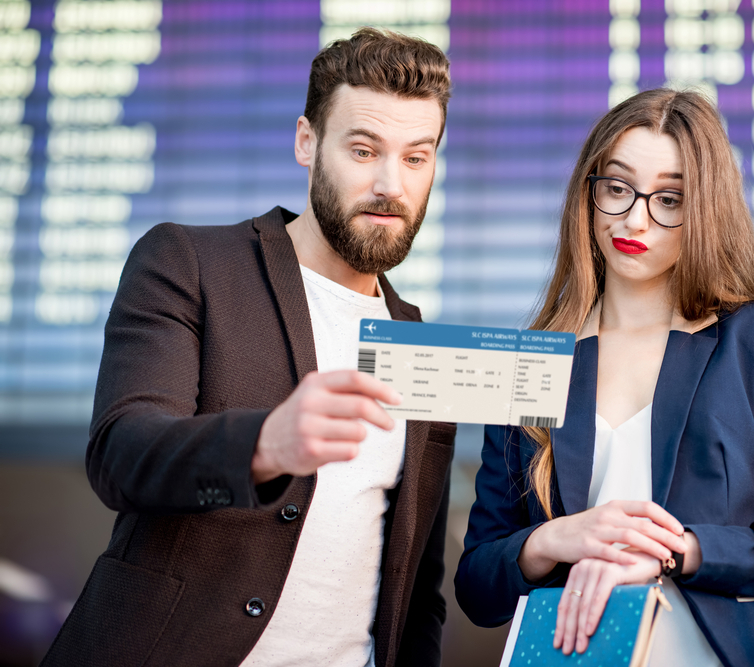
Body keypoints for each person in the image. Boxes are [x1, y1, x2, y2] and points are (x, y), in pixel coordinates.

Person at [42, 29, 455, 667]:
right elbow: (121, 455)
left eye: (415, 158)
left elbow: (414, 590)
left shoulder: (423, 346)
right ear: (307, 142)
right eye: (363, 149)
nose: (389, 185)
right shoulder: (189, 262)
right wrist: (265, 445)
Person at [454, 88, 754, 666]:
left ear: (705, 209)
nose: (635, 218)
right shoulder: (531, 358)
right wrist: (551, 540)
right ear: (588, 196)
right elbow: (476, 586)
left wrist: (678, 551)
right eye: (617, 189)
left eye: (669, 198)